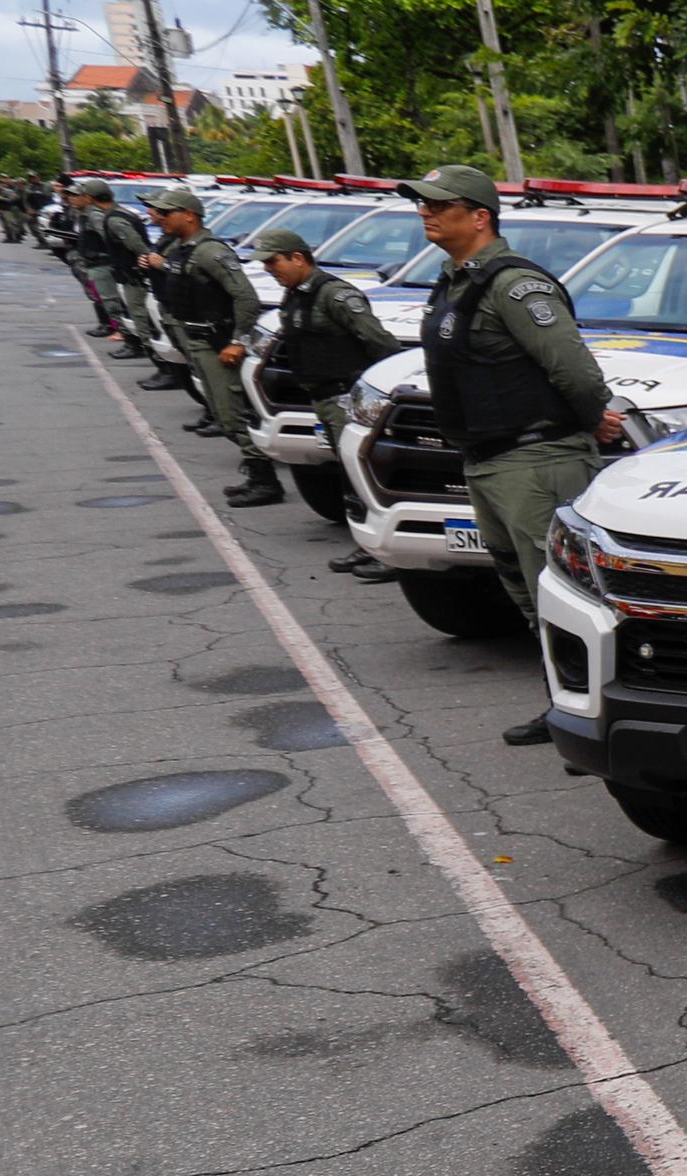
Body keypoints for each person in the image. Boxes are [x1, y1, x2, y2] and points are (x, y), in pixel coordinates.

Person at [402, 163, 623, 744]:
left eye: (439, 204)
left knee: (564, 591)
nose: (425, 211)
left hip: (537, 458)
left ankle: (597, 718)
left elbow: (572, 368)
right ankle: (566, 703)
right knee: (527, 591)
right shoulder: (454, 280)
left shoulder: (515, 285)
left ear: (479, 216)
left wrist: (591, 420)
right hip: (488, 460)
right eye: (422, 204)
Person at [256, 223, 401, 569]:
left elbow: (381, 344)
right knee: (347, 473)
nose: (269, 270)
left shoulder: (335, 295)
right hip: (322, 397)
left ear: (298, 258)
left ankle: (383, 554)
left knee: (359, 477)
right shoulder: (295, 293)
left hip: (343, 397)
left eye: (273, 262)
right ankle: (370, 546)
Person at [144, 186, 283, 505]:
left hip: (216, 343)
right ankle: (256, 472)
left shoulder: (210, 252)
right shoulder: (181, 249)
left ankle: (266, 481)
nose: (159, 218)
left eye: (167, 213)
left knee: (232, 415)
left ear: (189, 216)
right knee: (222, 415)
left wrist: (237, 341)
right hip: (197, 341)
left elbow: (246, 297)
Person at [65, 179, 157, 359]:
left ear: (89, 198)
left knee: (124, 308)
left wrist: (145, 258)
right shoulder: (103, 213)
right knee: (126, 308)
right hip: (119, 268)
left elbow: (133, 243)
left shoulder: (107, 216)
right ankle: (135, 342)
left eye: (79, 195)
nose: (72, 199)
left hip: (119, 269)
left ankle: (138, 345)